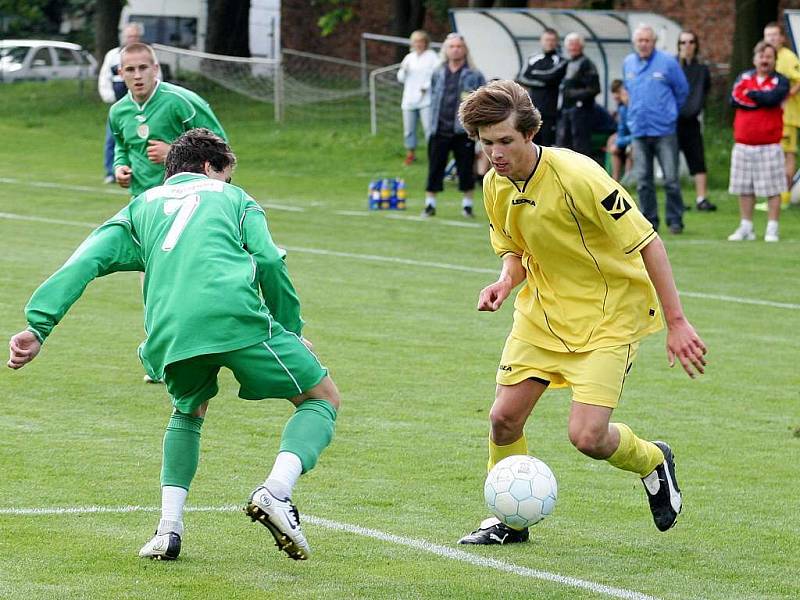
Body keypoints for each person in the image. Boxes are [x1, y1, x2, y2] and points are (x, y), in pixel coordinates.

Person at [7, 129, 341, 561]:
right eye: (227, 176)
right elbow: (271, 260)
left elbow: (87, 259)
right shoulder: (236, 201)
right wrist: (291, 329)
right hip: (234, 316)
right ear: (209, 168)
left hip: (170, 331)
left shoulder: (141, 206)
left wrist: (39, 325)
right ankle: (277, 491)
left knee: (188, 411)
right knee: (321, 398)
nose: (229, 184)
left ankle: (168, 529)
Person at [454, 80, 706, 546]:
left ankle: (652, 459)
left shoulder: (580, 175)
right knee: (503, 419)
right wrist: (506, 282)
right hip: (542, 316)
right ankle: (509, 523)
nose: (496, 153)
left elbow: (648, 240)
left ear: (529, 133)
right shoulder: (495, 185)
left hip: (609, 317)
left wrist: (676, 321)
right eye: (486, 143)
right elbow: (514, 250)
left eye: (505, 141)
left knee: (588, 437)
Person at [110, 42, 227, 199]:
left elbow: (220, 147)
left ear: (155, 69)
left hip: (185, 196)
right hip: (141, 199)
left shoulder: (183, 101)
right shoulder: (117, 111)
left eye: (143, 68)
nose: (137, 75)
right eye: (130, 69)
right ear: (121, 73)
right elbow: (122, 146)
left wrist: (174, 154)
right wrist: (120, 166)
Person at [623, 24, 689, 234]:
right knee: (643, 180)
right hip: (639, 130)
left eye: (647, 40)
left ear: (654, 42)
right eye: (640, 41)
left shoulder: (668, 62)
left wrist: (670, 113)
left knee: (670, 178)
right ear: (635, 43)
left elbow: (682, 90)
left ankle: (675, 220)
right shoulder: (628, 63)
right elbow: (628, 91)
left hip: (664, 130)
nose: (643, 44)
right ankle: (649, 221)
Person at [728, 42, 789, 242]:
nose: (764, 60)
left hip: (769, 144)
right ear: (755, 59)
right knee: (744, 187)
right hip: (744, 144)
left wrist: (753, 97)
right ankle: (746, 227)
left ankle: (772, 228)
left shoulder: (781, 81)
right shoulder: (744, 77)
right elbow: (734, 98)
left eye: (769, 56)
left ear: (774, 60)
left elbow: (773, 98)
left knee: (772, 188)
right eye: (761, 56)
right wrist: (760, 101)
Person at [422, 33, 485, 218]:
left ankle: (467, 205)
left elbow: (481, 99)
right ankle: (430, 204)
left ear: (465, 50)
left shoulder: (474, 74)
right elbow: (433, 96)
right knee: (435, 167)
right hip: (439, 128)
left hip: (462, 130)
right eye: (452, 46)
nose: (455, 49)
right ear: (446, 50)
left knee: (465, 169)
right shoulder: (438, 71)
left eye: (459, 46)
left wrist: (476, 128)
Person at [98, 22, 143, 184]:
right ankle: (111, 171)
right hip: (120, 105)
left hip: (141, 106)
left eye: (136, 36)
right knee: (113, 138)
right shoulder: (113, 55)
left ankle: (137, 171)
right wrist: (109, 97)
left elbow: (157, 76)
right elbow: (104, 77)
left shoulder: (146, 55)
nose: (133, 39)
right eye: (130, 36)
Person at [677, 30, 715, 212]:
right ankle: (677, 200)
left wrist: (694, 108)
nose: (687, 46)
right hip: (672, 122)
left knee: (697, 159)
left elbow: (704, 91)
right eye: (683, 42)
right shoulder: (673, 66)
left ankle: (701, 198)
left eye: (691, 42)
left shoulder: (701, 70)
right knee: (671, 162)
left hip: (691, 121)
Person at [763, 22, 800, 207]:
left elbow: (799, 79)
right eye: (768, 35)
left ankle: (783, 196)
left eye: (774, 35)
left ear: (782, 37)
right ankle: (775, 196)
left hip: (788, 116)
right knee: (775, 155)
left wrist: (786, 96)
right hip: (774, 116)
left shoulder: (787, 57)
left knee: (787, 155)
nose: (771, 39)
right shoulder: (770, 57)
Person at [397, 30, 439, 166]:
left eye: (421, 41)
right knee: (409, 129)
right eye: (416, 42)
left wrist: (426, 86)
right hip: (409, 99)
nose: (418, 44)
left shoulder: (432, 56)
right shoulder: (409, 57)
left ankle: (433, 154)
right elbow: (400, 78)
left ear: (426, 43)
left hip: (426, 99)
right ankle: (411, 154)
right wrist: (404, 70)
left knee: (429, 129)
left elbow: (437, 75)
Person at [517, 28, 564, 146]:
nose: (550, 43)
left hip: (552, 110)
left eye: (553, 40)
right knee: (531, 142)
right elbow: (522, 77)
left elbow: (552, 76)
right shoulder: (533, 58)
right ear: (541, 41)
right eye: (547, 40)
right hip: (533, 109)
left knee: (548, 144)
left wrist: (534, 74)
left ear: (557, 42)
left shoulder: (561, 60)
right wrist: (543, 82)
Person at [555, 32, 600, 158]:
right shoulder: (567, 63)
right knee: (563, 145)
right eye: (570, 45)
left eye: (575, 45)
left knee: (580, 146)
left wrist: (572, 94)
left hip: (581, 111)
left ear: (581, 46)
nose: (572, 48)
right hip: (566, 111)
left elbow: (595, 89)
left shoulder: (587, 64)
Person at [607, 79, 633, 182]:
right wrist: (618, 143)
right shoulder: (622, 109)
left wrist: (620, 143)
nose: (615, 96)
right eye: (614, 93)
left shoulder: (635, 108)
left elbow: (637, 134)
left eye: (618, 92)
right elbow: (621, 129)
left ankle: (628, 181)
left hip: (638, 140)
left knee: (631, 149)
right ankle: (615, 181)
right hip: (628, 138)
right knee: (613, 142)